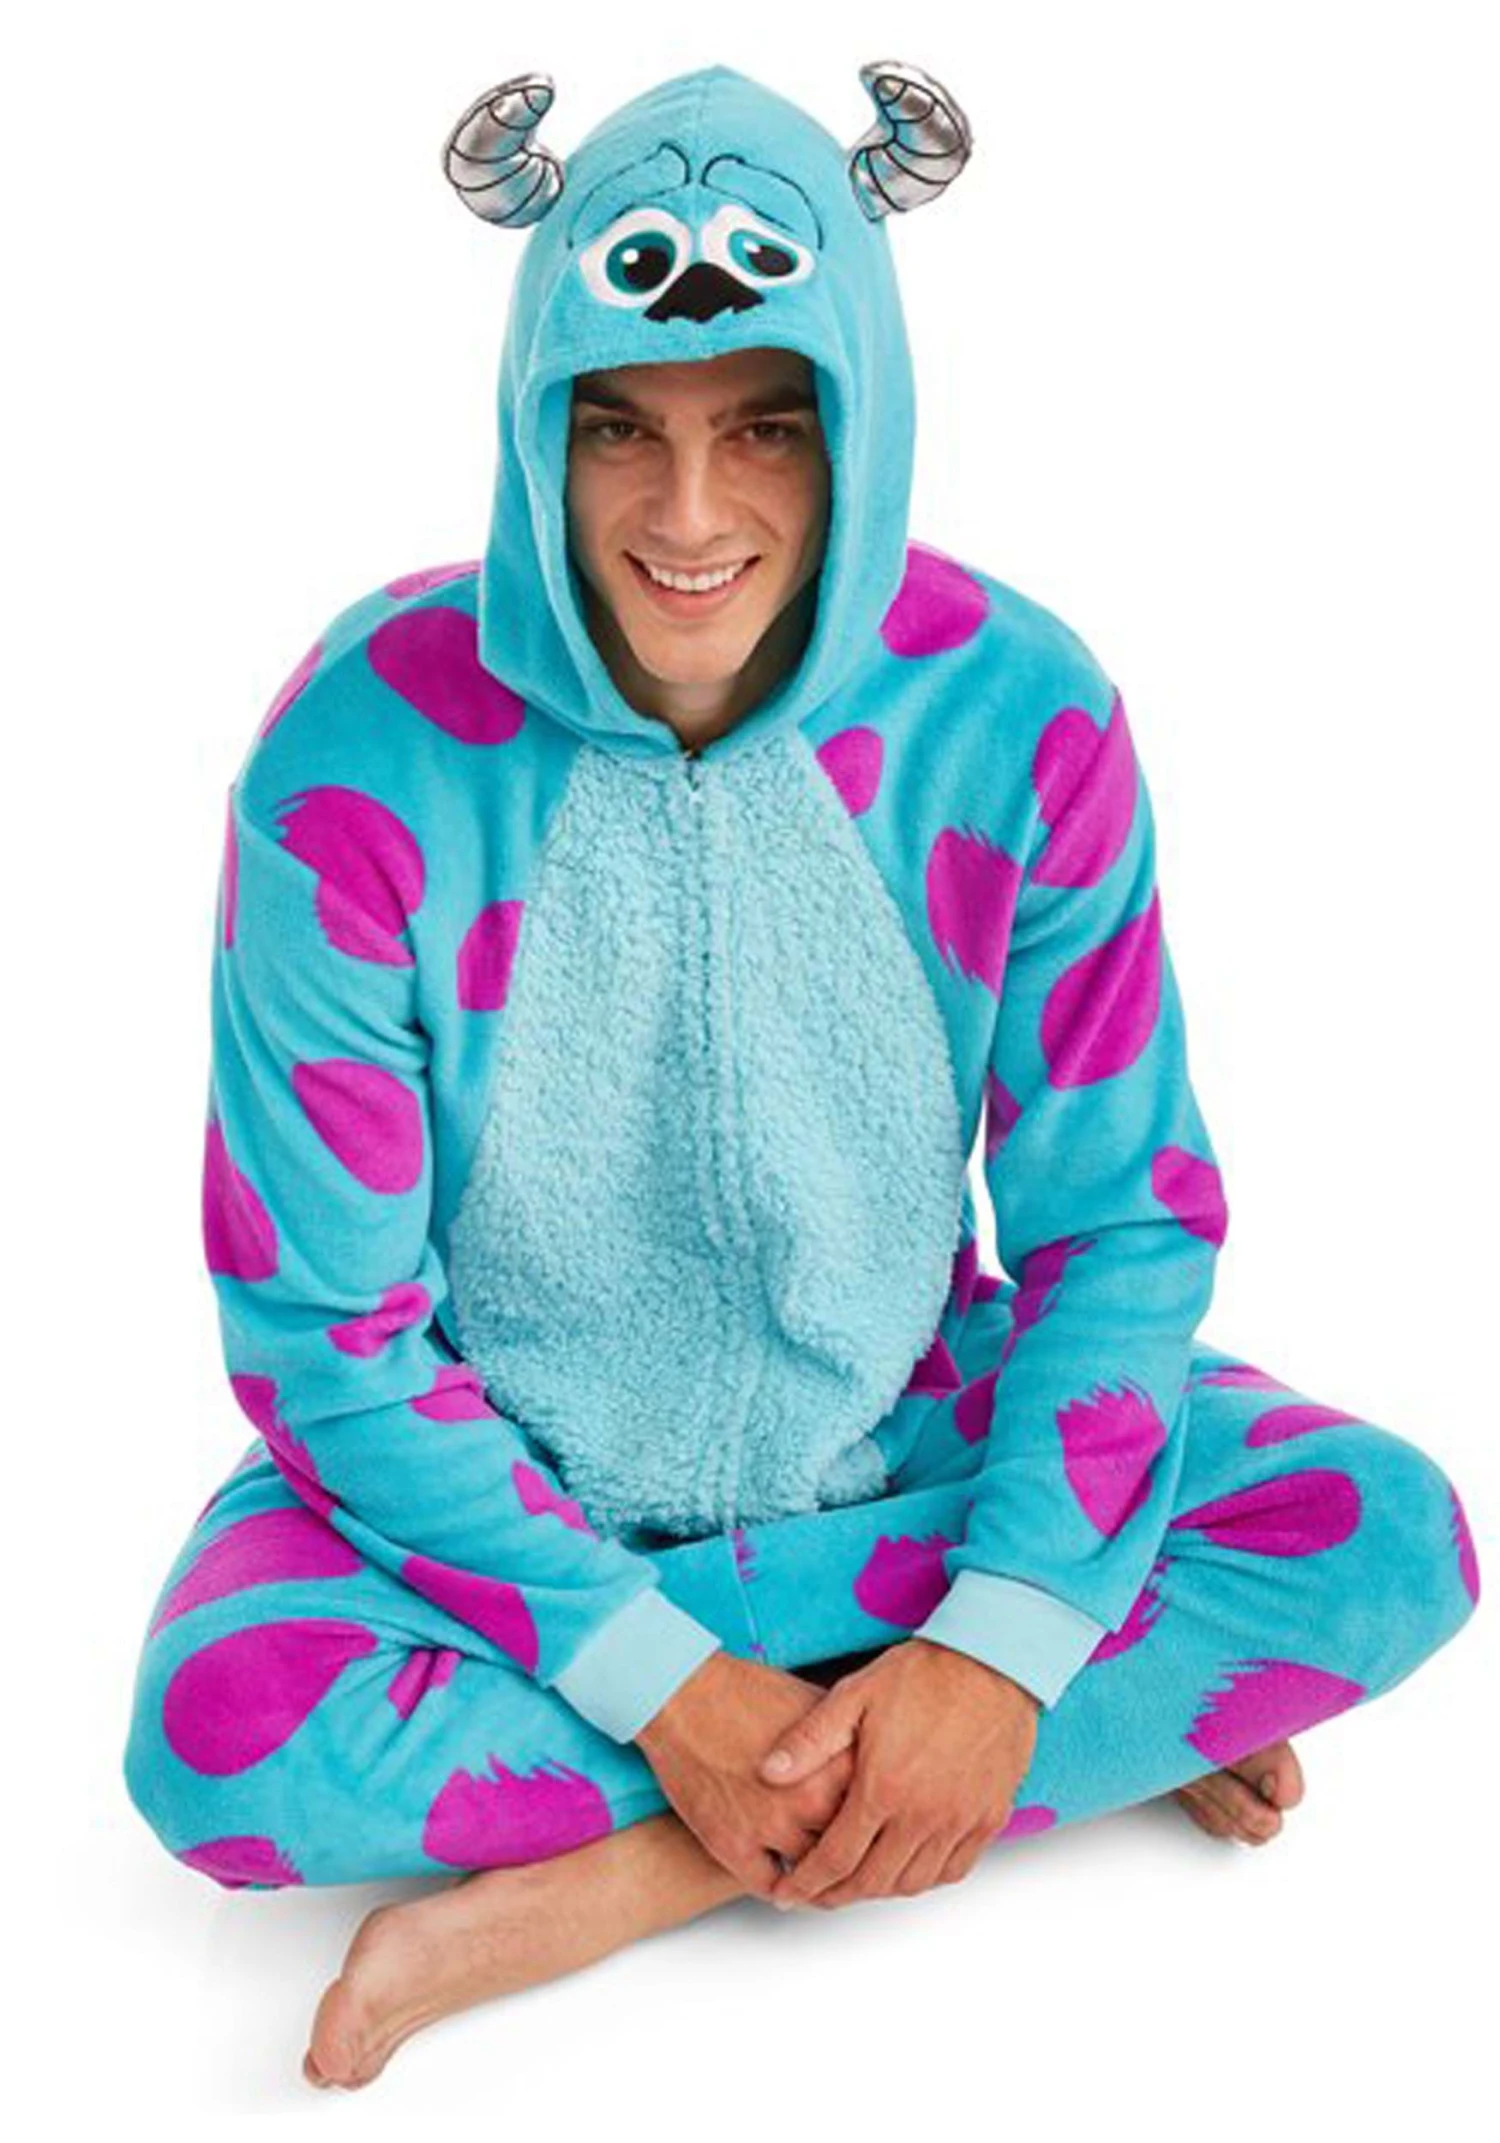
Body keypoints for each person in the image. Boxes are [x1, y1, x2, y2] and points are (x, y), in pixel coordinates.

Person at [120, 61, 1480, 2091]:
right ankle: (1042, 1724)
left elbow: (1121, 1225)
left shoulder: (1018, 709)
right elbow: (327, 1338)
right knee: (216, 1740)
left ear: (865, 420)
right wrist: (695, 1672)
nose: (689, 517)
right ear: (535, 426)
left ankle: (631, 1876)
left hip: (906, 1443)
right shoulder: (356, 753)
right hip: (513, 1507)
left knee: (1385, 1535)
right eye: (620, 428)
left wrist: (998, 1635)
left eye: (765, 424)